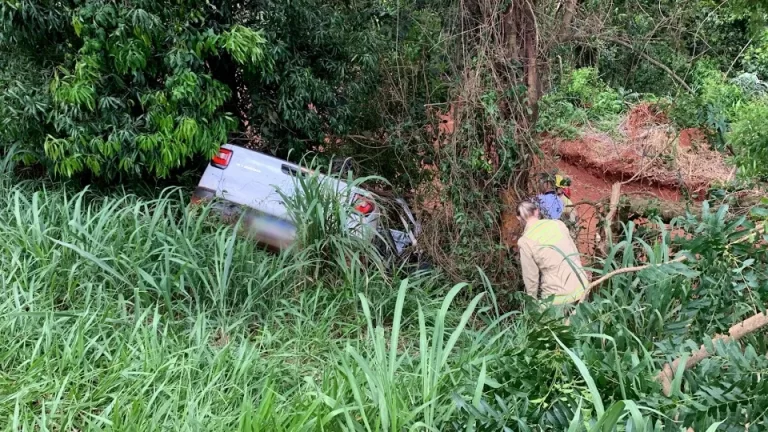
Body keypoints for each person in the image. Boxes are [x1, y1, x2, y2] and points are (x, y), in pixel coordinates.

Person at [516, 200, 588, 307]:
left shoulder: (525, 242)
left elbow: (531, 277)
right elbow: (575, 253)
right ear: (537, 211)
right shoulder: (558, 224)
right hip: (582, 287)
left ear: (518, 218)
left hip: (557, 297)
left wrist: (532, 303)